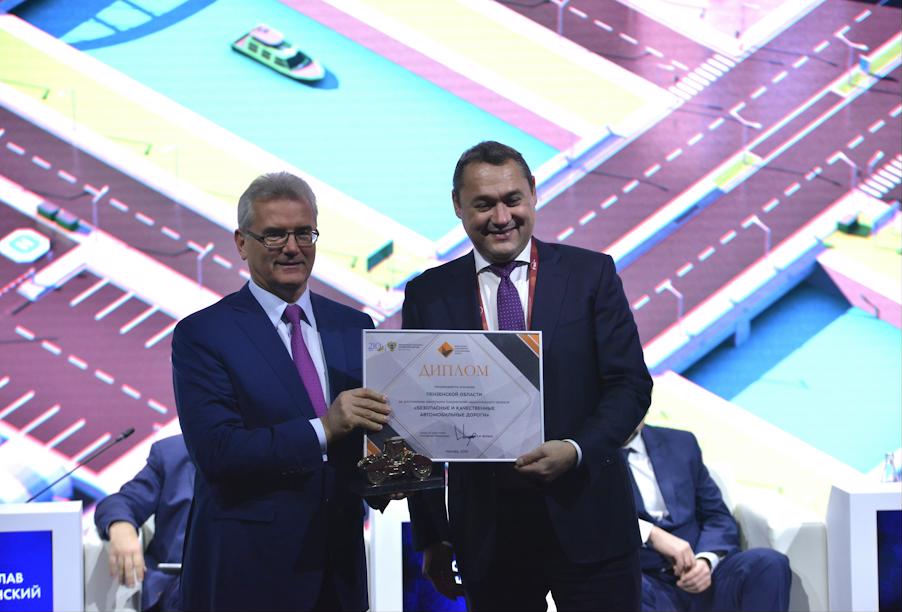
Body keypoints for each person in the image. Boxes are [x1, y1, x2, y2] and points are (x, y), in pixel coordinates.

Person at [402, 141, 653, 611]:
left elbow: (630, 386)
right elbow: (419, 421)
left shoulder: (591, 275)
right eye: (483, 204)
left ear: (533, 193)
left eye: (512, 200)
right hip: (490, 535)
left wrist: (575, 450)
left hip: (592, 520)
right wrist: (432, 534)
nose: (501, 218)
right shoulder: (428, 295)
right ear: (457, 205)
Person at [172, 172, 391, 612]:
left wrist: (394, 475)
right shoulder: (203, 334)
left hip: (339, 575)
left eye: (304, 233)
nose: (292, 247)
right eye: (274, 235)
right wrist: (324, 428)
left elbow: (367, 439)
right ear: (241, 243)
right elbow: (218, 453)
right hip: (247, 576)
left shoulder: (354, 326)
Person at [624, 423, 791, 611]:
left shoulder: (681, 442)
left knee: (768, 563)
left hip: (703, 574)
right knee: (624, 588)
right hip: (643, 579)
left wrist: (706, 560)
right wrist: (650, 534)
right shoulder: (596, 455)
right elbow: (596, 522)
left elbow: (717, 516)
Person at [94, 434, 194, 612]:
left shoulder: (250, 456)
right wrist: (121, 525)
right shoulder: (173, 454)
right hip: (179, 586)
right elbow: (120, 502)